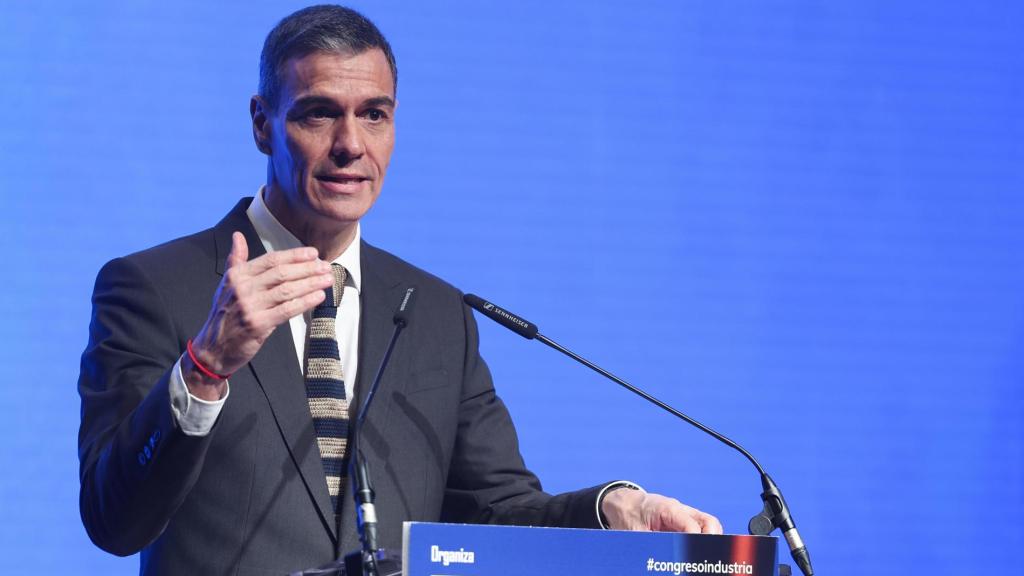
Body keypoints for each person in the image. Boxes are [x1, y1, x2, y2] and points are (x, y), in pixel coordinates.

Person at [78, 5, 721, 575]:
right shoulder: (155, 287)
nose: (351, 145)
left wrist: (612, 510)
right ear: (262, 123)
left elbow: (498, 512)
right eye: (319, 113)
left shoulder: (437, 313)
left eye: (374, 115)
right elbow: (114, 521)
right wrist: (206, 365)